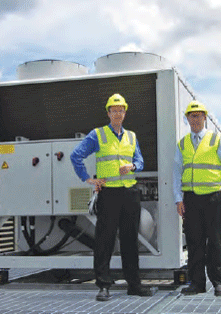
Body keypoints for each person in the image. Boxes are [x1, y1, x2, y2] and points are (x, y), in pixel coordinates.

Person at [70, 93, 153, 301]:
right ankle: (104, 286)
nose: (117, 113)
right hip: (108, 194)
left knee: (130, 241)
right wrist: (88, 179)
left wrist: (132, 166)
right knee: (104, 240)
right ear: (108, 113)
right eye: (114, 110)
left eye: (121, 110)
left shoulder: (132, 136)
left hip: (130, 192)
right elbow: (75, 155)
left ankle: (134, 285)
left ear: (125, 113)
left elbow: (140, 161)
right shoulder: (97, 135)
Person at [173, 100, 221, 297]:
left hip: (212, 198)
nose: (195, 119)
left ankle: (218, 283)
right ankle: (197, 284)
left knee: (215, 242)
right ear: (187, 119)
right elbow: (176, 172)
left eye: (199, 115)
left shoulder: (216, 139)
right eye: (192, 116)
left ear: (205, 118)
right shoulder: (182, 144)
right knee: (194, 242)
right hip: (190, 199)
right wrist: (178, 199)